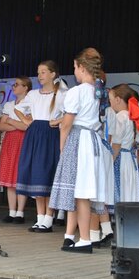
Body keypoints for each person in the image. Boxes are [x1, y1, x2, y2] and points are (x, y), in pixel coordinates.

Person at [49, 47, 110, 254]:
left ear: (82, 68)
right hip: (92, 140)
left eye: (75, 67)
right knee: (82, 193)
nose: (74, 71)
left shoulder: (77, 91)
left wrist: (62, 147)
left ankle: (84, 239)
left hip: (79, 140)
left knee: (81, 192)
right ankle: (82, 237)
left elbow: (66, 124)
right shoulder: (98, 91)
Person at [15, 60, 62, 232]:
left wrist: (56, 121)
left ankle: (49, 218)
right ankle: (40, 217)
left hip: (50, 135)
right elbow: (18, 109)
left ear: (52, 74)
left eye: (43, 72)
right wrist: (28, 121)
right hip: (35, 134)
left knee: (46, 173)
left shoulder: (61, 94)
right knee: (36, 174)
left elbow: (71, 114)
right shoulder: (33, 94)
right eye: (39, 72)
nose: (40, 75)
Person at [0, 76, 31, 224]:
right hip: (9, 142)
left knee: (19, 177)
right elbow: (1, 126)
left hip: (23, 142)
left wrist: (10, 121)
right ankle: (11, 211)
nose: (14, 87)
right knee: (9, 177)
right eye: (14, 84)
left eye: (17, 84)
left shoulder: (30, 104)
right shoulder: (9, 105)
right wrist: (14, 123)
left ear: (26, 88)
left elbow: (26, 126)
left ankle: (20, 212)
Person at [108, 84, 139, 204]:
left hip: (120, 158)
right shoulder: (132, 117)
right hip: (129, 159)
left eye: (110, 100)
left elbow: (116, 144)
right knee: (128, 189)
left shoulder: (119, 117)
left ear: (117, 100)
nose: (110, 103)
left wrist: (109, 162)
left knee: (120, 188)